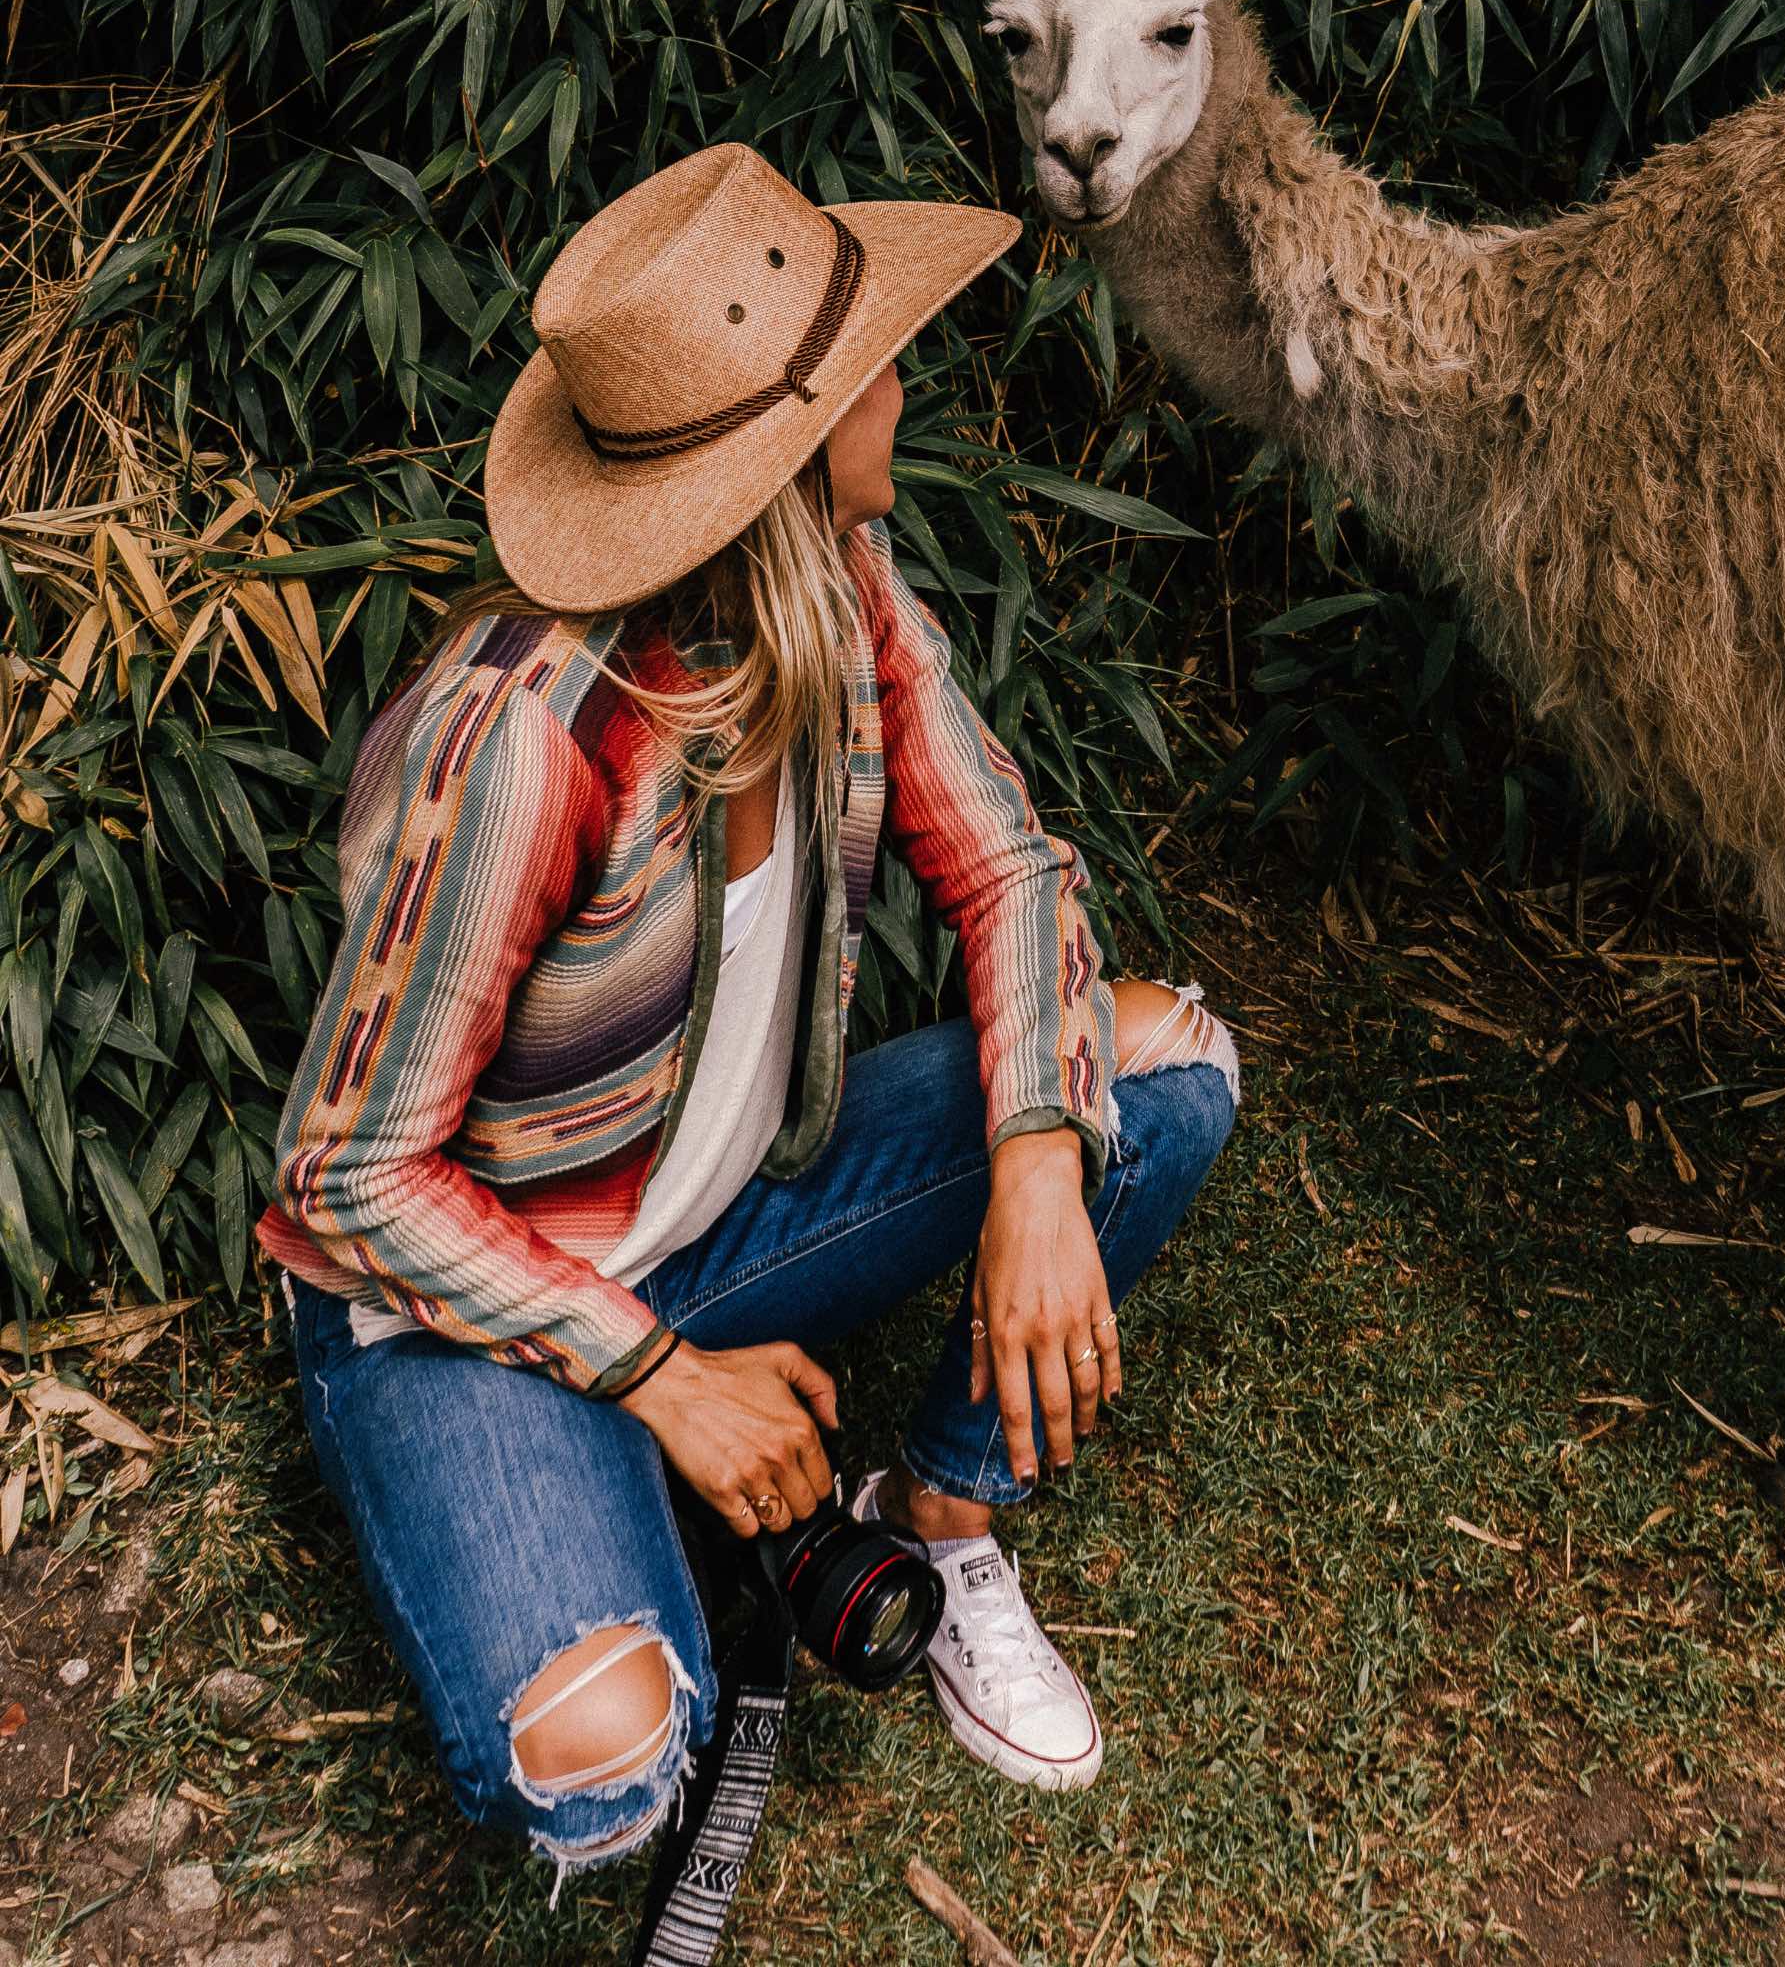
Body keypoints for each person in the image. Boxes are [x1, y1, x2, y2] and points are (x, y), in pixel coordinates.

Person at [259, 142, 1240, 1883]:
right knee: (608, 1763)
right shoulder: (521, 740)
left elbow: (1017, 873)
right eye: (872, 358)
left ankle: (934, 1514)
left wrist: (1031, 1160)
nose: (907, 378)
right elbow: (346, 1182)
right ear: (786, 446)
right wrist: (660, 1381)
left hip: (717, 1219)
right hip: (466, 1300)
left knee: (1155, 1076)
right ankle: (620, 1491)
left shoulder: (840, 597)